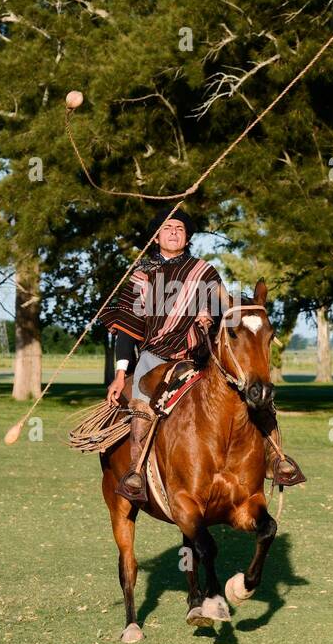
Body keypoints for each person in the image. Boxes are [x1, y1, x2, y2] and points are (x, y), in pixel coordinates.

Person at [99, 206, 304, 501]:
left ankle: (276, 458)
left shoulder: (203, 271)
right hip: (154, 357)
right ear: (156, 237)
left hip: (198, 357)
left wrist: (218, 316)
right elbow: (128, 330)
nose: (173, 233)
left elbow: (229, 311)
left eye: (180, 230)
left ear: (187, 237)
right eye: (168, 229)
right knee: (141, 403)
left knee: (254, 393)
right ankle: (136, 472)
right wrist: (120, 376)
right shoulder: (140, 277)